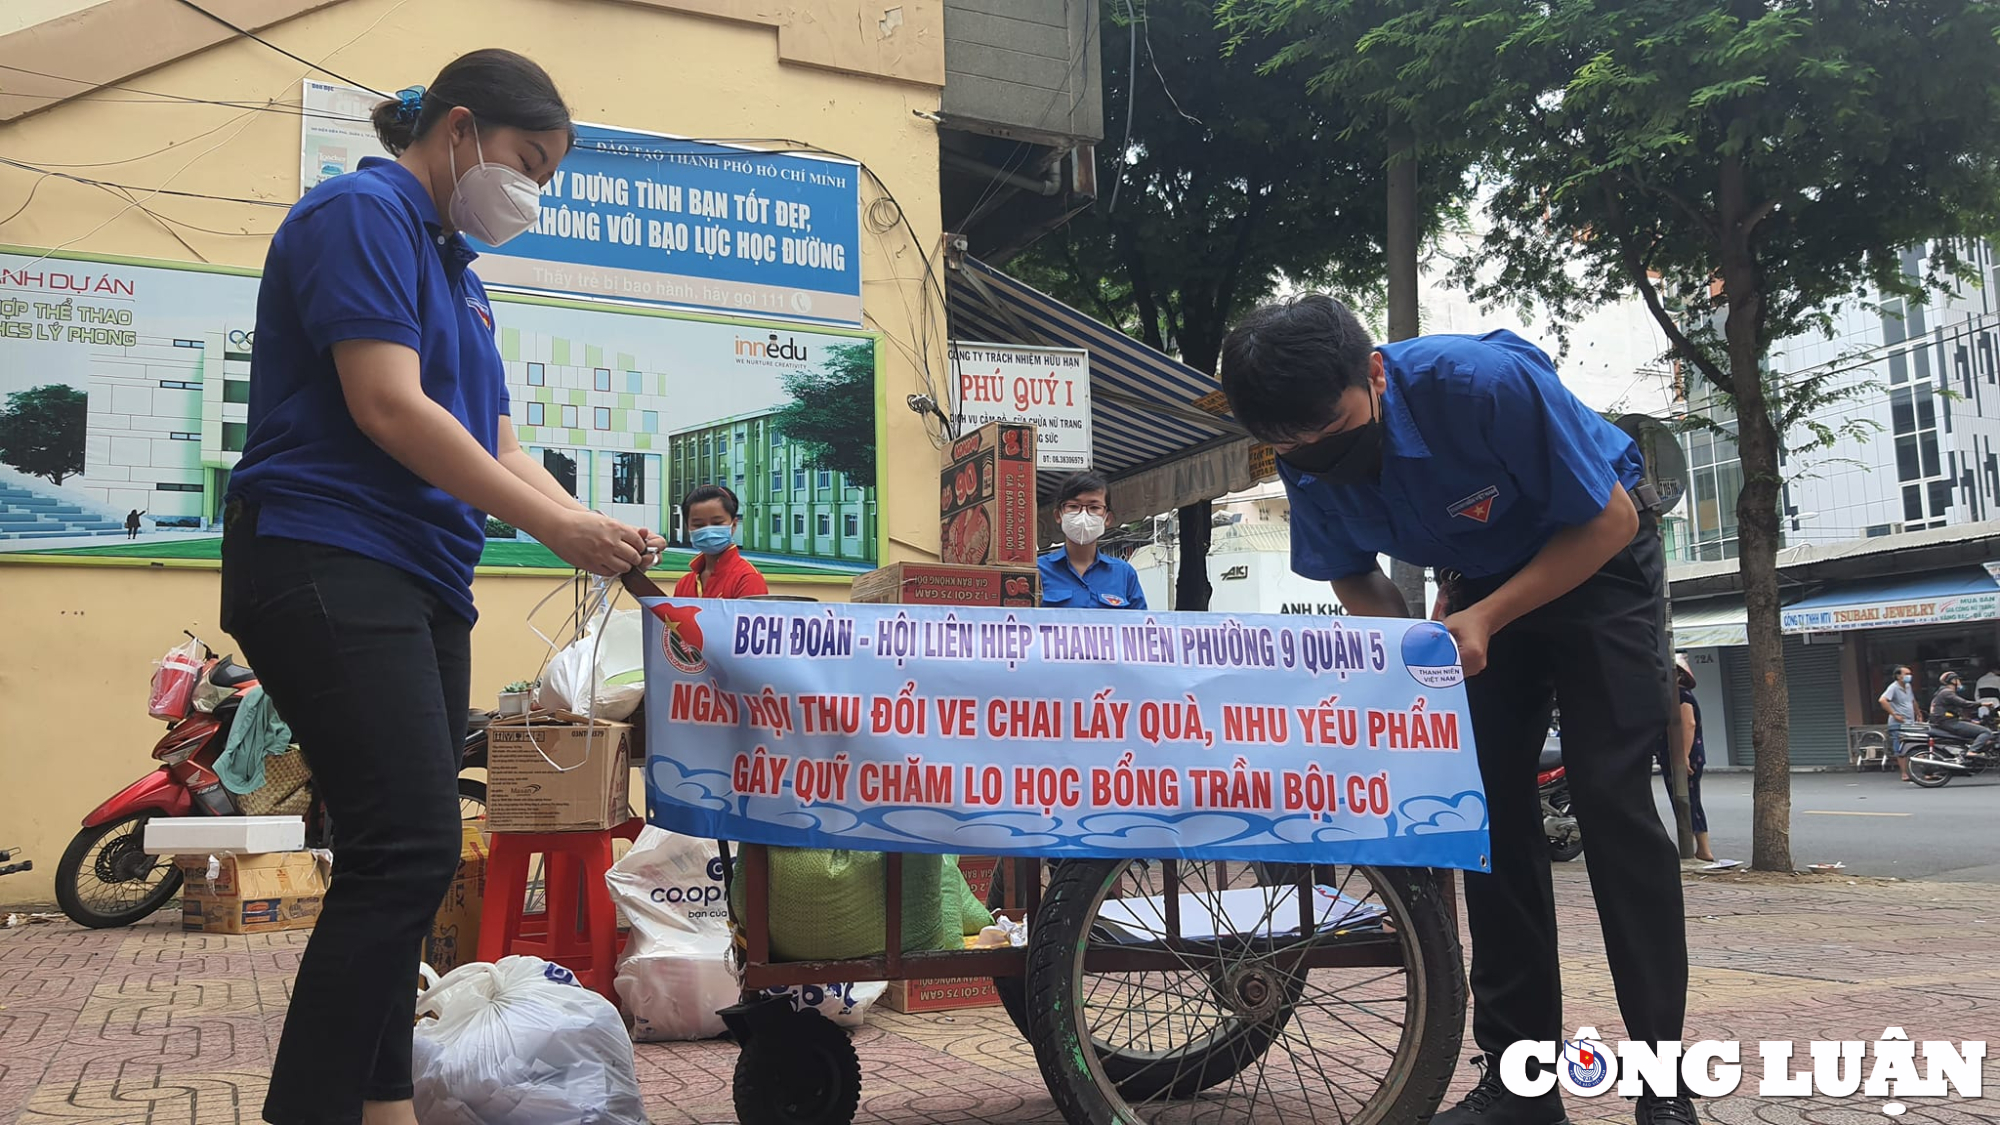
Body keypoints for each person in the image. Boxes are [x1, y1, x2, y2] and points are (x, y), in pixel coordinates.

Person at [220, 50, 662, 1125]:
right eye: (528, 161)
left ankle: (383, 1104)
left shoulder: (458, 278)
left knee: (398, 860)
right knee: (412, 845)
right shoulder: (358, 214)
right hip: (326, 553)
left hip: (420, 578)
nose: (534, 192)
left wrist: (587, 523)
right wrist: (555, 525)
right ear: (460, 129)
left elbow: (498, 439)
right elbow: (386, 406)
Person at [1218, 296, 1692, 1125]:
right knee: (1485, 821)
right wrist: (1416, 647)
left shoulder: (1479, 384)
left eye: (1329, 428)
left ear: (1374, 373)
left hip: (1598, 562)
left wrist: (1485, 618)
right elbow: (1351, 570)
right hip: (1477, 588)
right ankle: (1522, 1086)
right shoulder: (1298, 438)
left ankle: (1665, 1084)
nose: (1315, 452)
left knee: (1613, 804)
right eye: (1294, 445)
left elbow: (1611, 517)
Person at [1039, 472, 1146, 610]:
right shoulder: (1038, 571)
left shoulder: (1124, 574)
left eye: (1094, 507)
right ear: (1058, 515)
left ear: (1107, 518)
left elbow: (1141, 627)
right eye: (1073, 506)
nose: (1083, 515)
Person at [675, 483, 768, 598]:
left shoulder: (747, 578)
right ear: (688, 527)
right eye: (698, 525)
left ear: (733, 525)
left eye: (717, 523)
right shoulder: (684, 584)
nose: (708, 530)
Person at [1662, 655, 1713, 863]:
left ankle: (1702, 849)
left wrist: (1682, 757)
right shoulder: (1676, 697)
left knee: (1688, 801)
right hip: (1677, 756)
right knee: (1686, 801)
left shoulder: (1682, 696)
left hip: (1683, 758)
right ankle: (1695, 849)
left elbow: (1688, 724)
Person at [1928, 671, 1994, 757]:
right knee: (1986, 732)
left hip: (1946, 722)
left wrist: (1969, 721)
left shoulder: (1943, 692)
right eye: (1958, 680)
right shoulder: (1947, 693)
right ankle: (1972, 751)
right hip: (1948, 723)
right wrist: (1983, 704)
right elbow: (1964, 703)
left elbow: (1954, 712)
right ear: (1953, 681)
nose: (1960, 682)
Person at [1879, 665, 1916, 782]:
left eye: (1910, 674)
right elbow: (1882, 700)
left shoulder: (1908, 686)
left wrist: (1918, 713)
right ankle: (1904, 773)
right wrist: (1894, 714)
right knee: (1900, 748)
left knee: (1915, 744)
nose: (1909, 676)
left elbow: (1912, 701)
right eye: (1906, 674)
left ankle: (1923, 772)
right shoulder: (1893, 687)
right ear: (1898, 676)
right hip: (1898, 723)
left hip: (1910, 722)